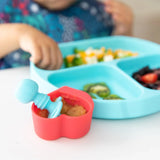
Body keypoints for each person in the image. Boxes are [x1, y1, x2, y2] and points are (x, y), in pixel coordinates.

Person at [0, 0, 133, 70]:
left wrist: (123, 31)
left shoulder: (95, 9)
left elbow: (114, 55)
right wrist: (18, 33)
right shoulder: (6, 6)